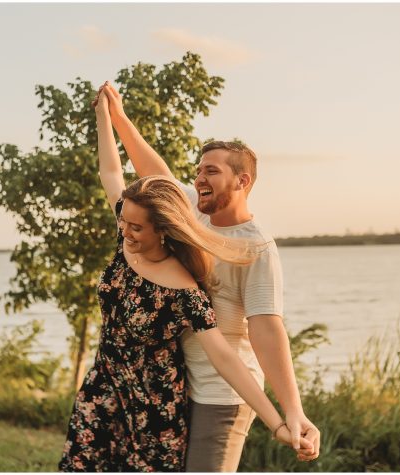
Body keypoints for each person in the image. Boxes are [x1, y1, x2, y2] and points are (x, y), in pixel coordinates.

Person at [58, 89, 311, 471]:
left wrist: (289, 413)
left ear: (242, 181)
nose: (198, 177)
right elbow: (146, 174)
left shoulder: (256, 248)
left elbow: (266, 330)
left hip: (218, 392)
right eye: (198, 170)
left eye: (211, 170)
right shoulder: (192, 209)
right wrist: (114, 116)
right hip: (169, 380)